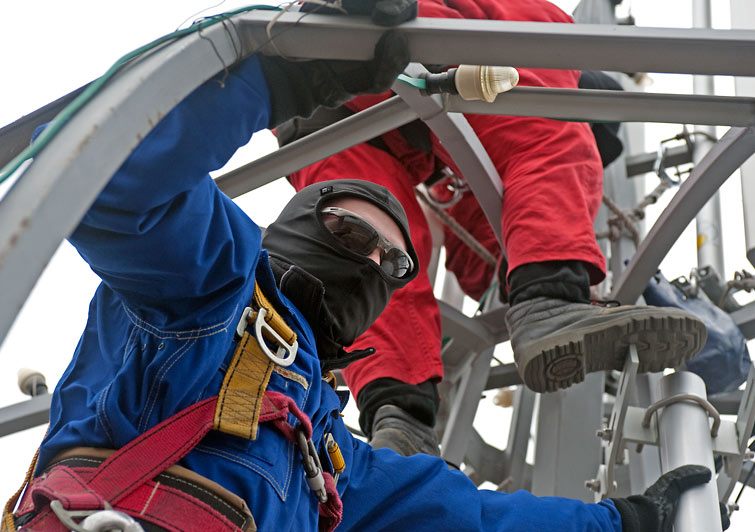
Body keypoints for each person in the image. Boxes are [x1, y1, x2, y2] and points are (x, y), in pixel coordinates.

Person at [2, 3, 715, 532]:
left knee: (409, 253)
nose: (371, 262)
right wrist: (278, 77)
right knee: (547, 137)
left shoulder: (329, 455)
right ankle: (545, 302)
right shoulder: (206, 288)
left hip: (343, 106)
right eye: (344, 233)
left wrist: (621, 522)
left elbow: (465, 518)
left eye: (390, 262)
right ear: (289, 232)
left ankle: (401, 408)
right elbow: (110, 184)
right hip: (356, 77)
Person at [278, 0, 707, 457]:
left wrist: (513, 276)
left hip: (310, 92)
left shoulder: (454, 167)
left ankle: (401, 419)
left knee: (370, 252)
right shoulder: (541, 33)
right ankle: (551, 303)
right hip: (406, 36)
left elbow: (481, 245)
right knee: (548, 128)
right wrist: (554, 283)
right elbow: (538, 148)